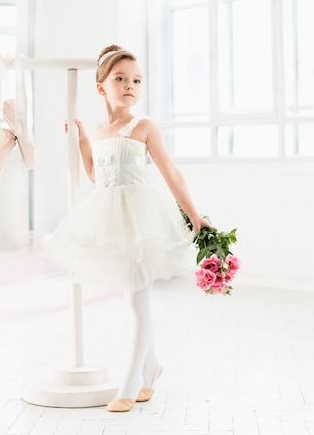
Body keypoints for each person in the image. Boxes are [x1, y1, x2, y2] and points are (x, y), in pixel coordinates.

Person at [43, 44, 211, 412]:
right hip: (111, 220)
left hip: (140, 219)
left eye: (136, 79)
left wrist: (194, 216)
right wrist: (84, 143)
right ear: (102, 87)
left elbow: (171, 172)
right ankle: (151, 369)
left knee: (137, 301)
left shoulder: (144, 126)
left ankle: (130, 382)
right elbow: (97, 177)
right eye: (120, 79)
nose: (130, 85)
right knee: (132, 296)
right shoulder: (103, 130)